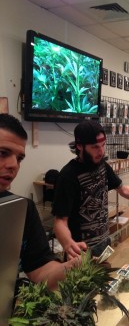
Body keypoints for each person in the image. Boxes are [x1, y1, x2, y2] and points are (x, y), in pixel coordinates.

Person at [52, 120, 129, 260]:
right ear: (80, 146)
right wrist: (68, 245)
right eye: (95, 147)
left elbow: (123, 189)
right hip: (80, 252)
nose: (101, 151)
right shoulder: (68, 175)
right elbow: (60, 222)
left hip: (103, 243)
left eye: (103, 145)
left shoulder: (102, 166)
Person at [0, 113, 80, 291]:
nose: (13, 164)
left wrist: (69, 268)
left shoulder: (22, 209)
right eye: (2, 153)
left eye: (19, 158)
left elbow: (41, 271)